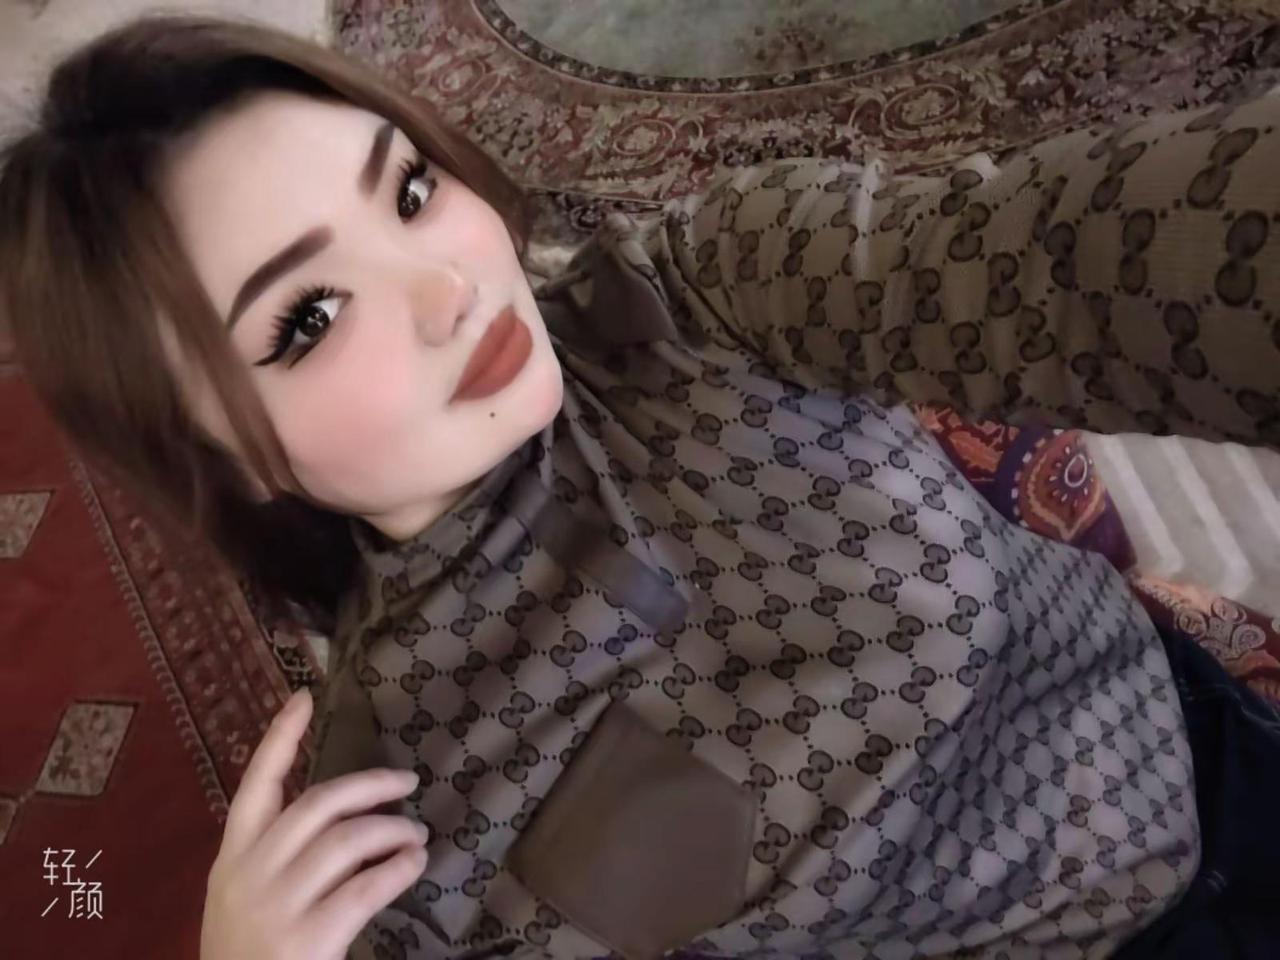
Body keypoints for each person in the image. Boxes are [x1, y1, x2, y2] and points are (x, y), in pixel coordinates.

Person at [2, 12, 1279, 960]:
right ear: (220, 458)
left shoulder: (696, 298)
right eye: (310, 316)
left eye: (409, 189)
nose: (451, 285)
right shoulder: (391, 815)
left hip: (1204, 744)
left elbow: (1062, 264)